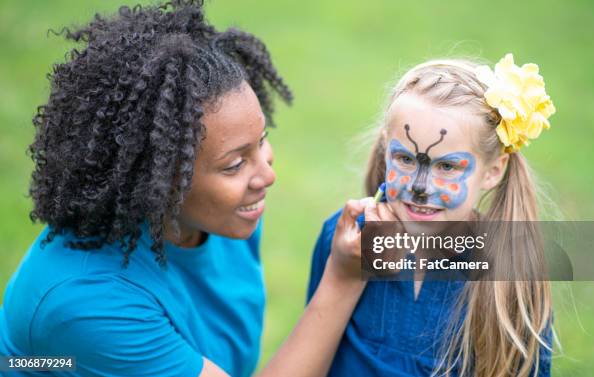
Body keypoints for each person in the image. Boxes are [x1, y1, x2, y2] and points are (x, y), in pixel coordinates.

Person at [0, 1, 394, 376]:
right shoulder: (86, 302)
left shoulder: (223, 213)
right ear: (156, 180)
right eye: (235, 163)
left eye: (262, 141)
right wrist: (343, 279)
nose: (266, 175)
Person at [307, 55, 557, 376]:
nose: (419, 187)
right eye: (405, 159)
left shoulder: (514, 276)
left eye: (447, 166)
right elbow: (310, 357)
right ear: (386, 149)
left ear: (493, 171)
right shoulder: (344, 241)